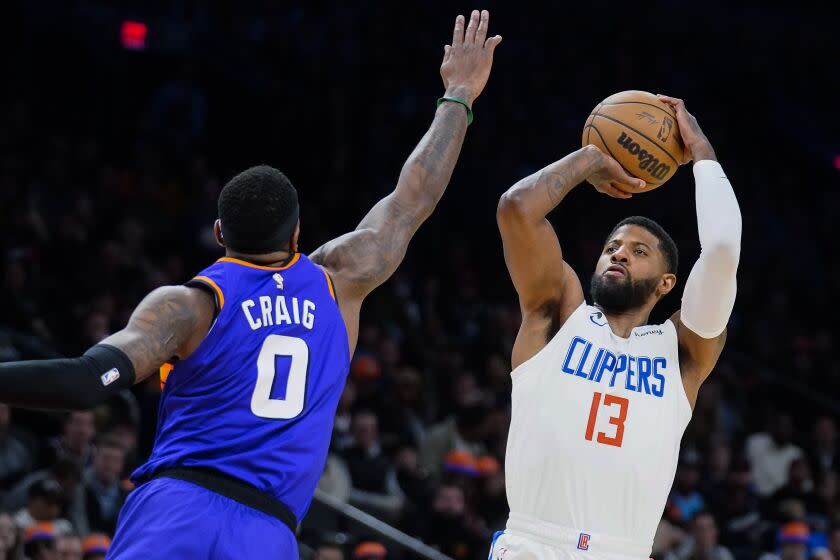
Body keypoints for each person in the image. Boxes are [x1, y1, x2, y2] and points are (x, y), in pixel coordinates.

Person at [0, 10, 502, 559]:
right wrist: (459, 94)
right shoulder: (339, 281)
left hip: (177, 511)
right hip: (267, 533)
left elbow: (83, 382)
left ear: (219, 233)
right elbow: (413, 200)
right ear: (299, 233)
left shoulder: (187, 306)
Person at [492, 96, 741, 560]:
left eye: (638, 251)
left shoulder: (681, 352)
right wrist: (591, 157)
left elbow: (724, 249)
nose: (619, 253)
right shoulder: (557, 314)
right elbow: (516, 210)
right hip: (532, 543)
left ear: (668, 283)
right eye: (613, 246)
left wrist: (702, 152)